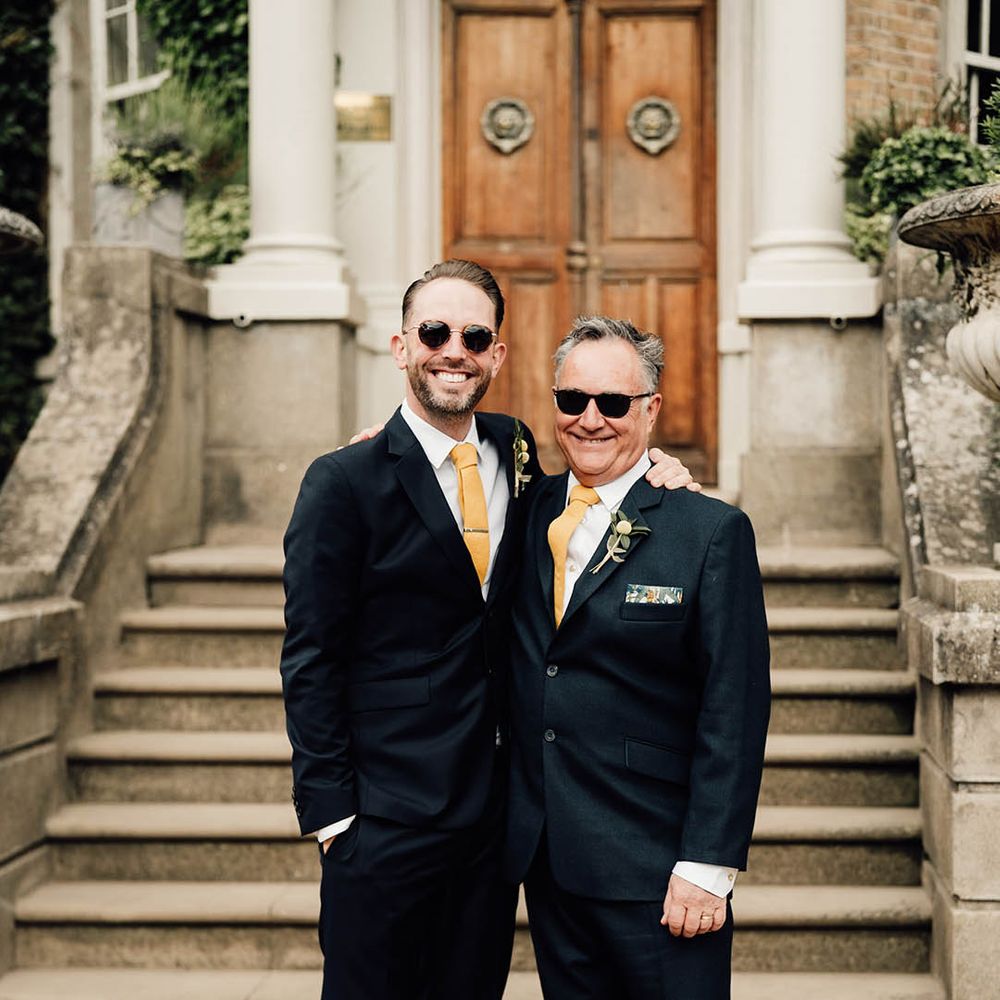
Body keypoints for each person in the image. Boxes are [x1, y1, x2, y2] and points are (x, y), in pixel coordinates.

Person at [279, 261, 696, 1000]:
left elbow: (601, 476)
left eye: (475, 335)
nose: (454, 350)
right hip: (384, 818)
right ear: (401, 346)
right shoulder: (343, 481)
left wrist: (659, 468)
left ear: (497, 354)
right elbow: (311, 655)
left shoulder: (519, 447)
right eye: (433, 332)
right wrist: (334, 816)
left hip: (490, 824)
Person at [505, 316, 771, 1000]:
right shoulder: (525, 512)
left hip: (658, 866)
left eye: (614, 403)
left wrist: (708, 865)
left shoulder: (709, 532)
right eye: (573, 401)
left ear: (651, 410)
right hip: (550, 862)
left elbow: (733, 710)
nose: (591, 420)